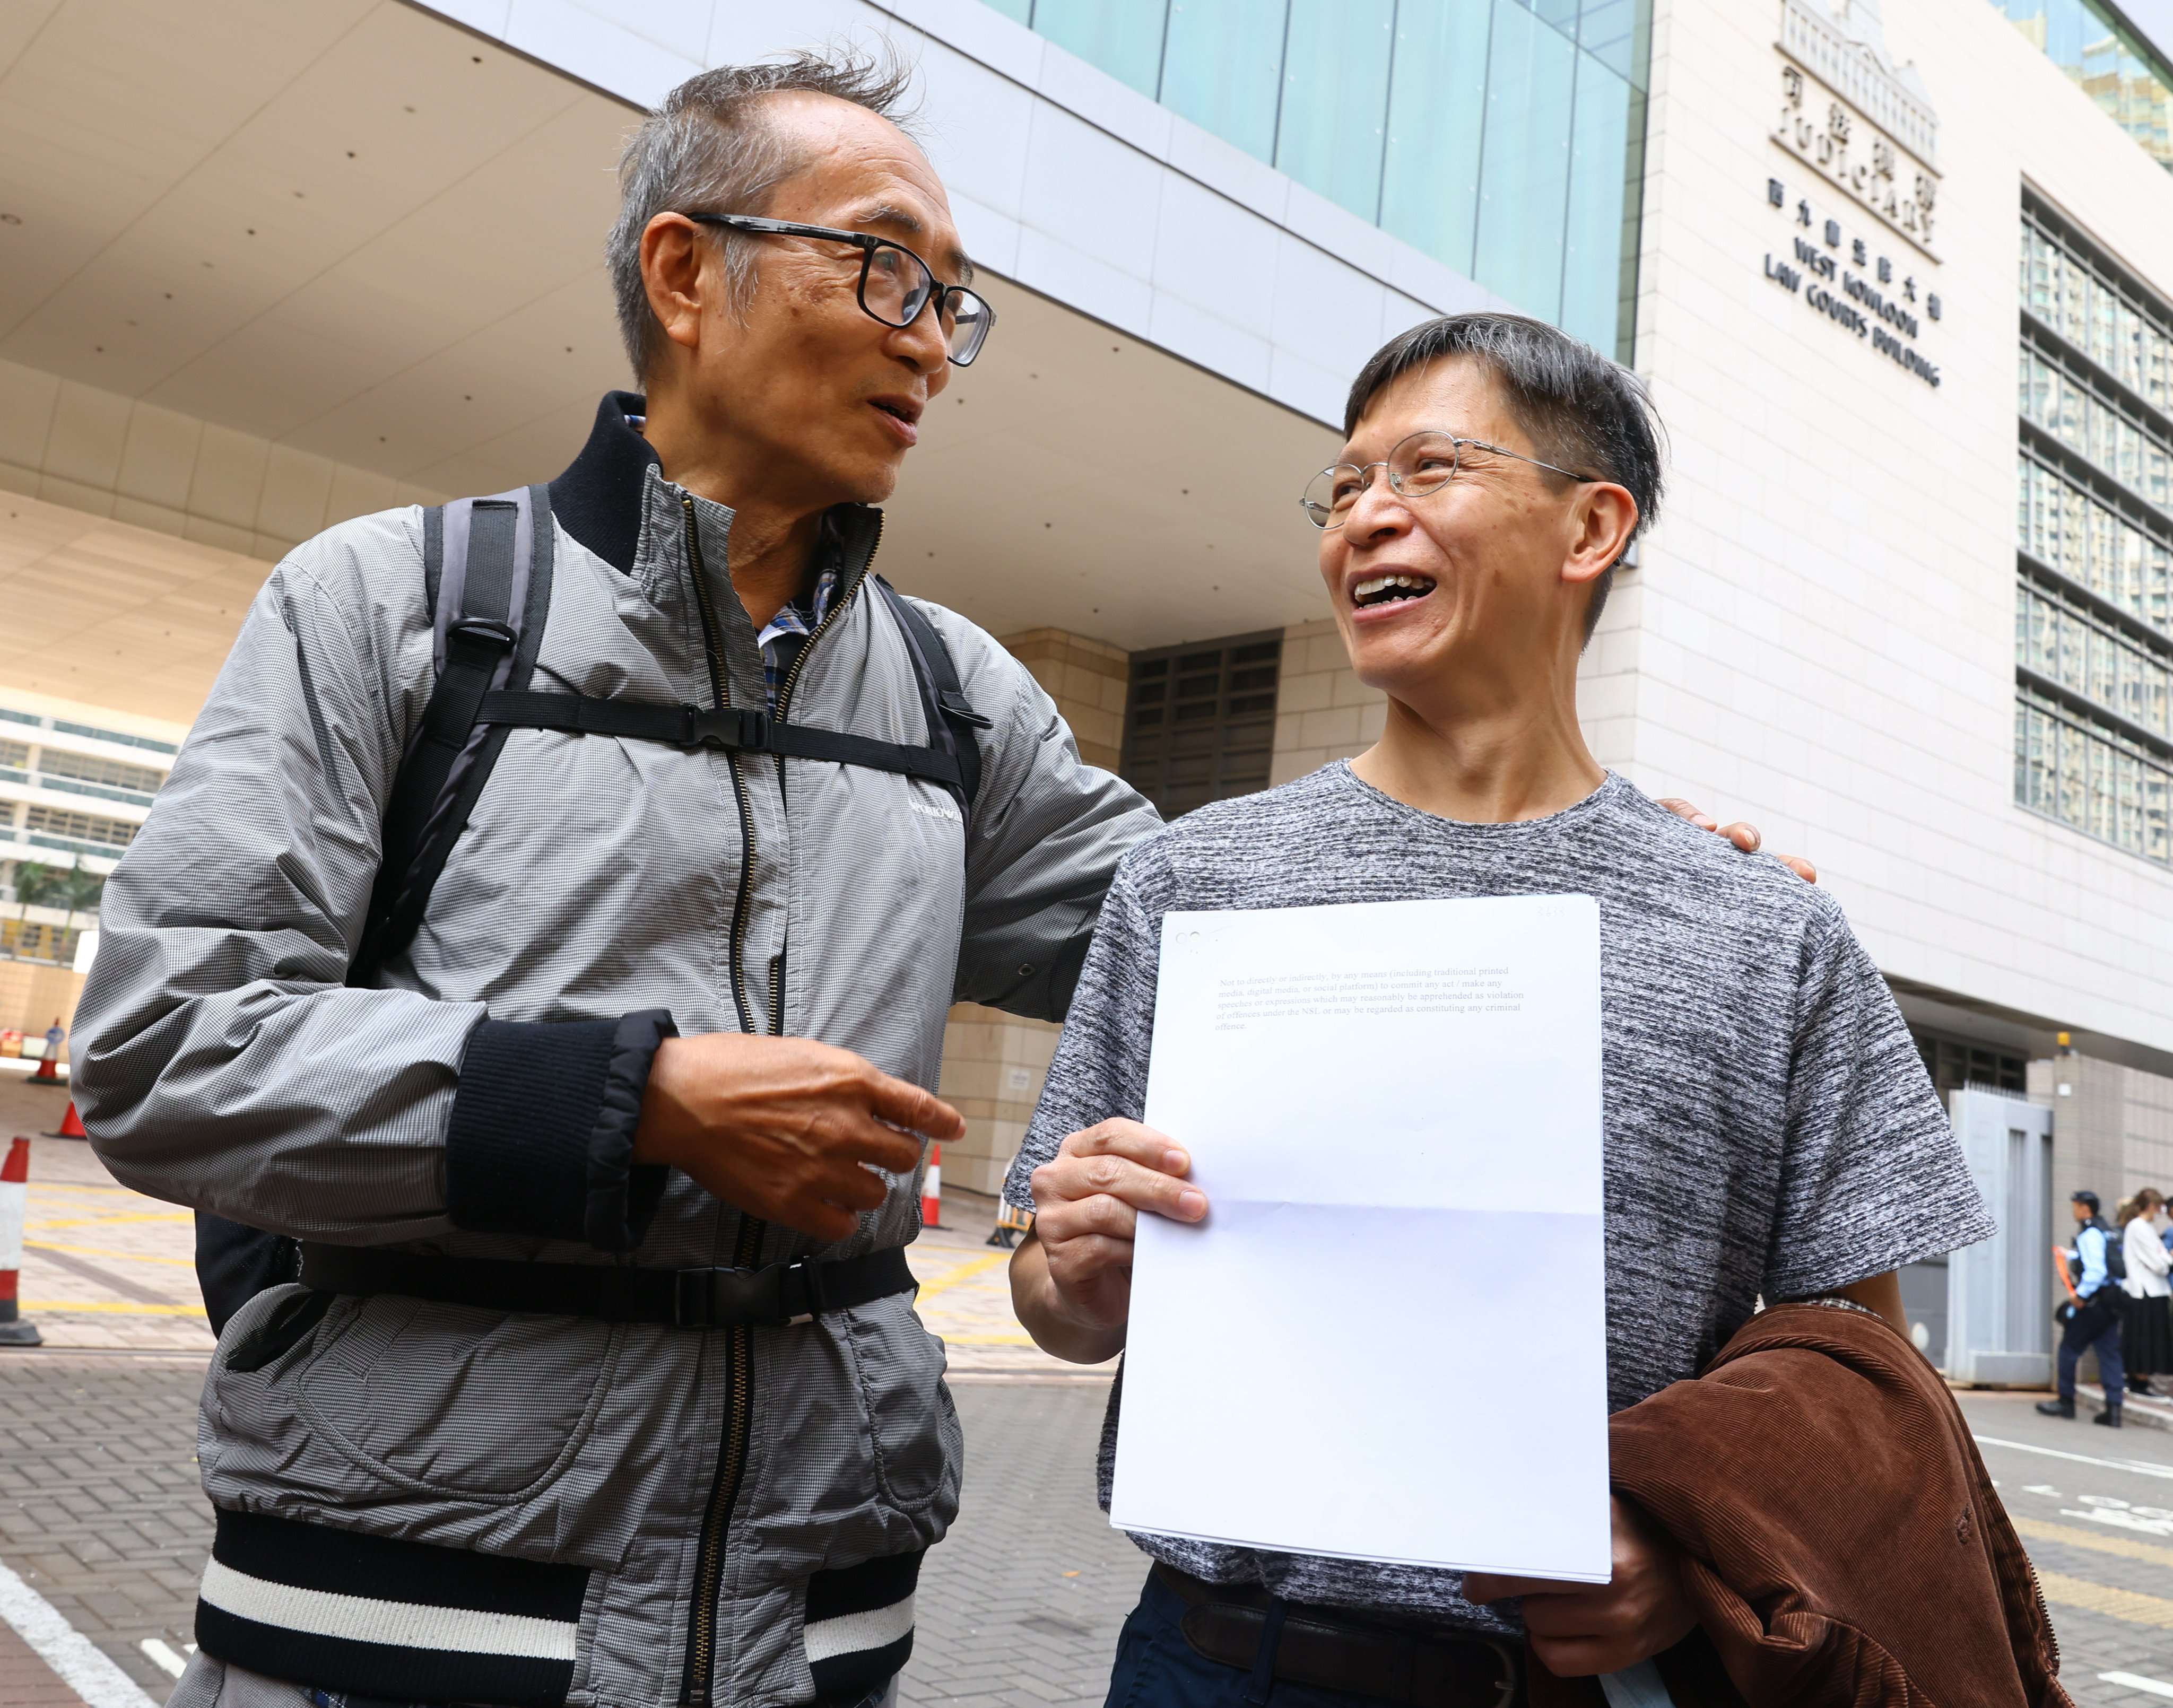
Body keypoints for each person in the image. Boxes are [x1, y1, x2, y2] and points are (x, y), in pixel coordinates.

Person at [69, 50, 1163, 1708]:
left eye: (955, 301)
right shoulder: (397, 605)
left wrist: (1551, 837)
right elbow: (165, 1058)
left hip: (818, 1618)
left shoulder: (960, 699)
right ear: (683, 271)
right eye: (883, 265)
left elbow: (1218, 933)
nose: (932, 336)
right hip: (405, 1619)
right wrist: (631, 1094)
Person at [1004, 312, 1993, 1705]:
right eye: (1344, 488)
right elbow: (1056, 1301)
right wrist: (1077, 1259)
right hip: (1216, 1658)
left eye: (1428, 469)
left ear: (1591, 525)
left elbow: (1863, 1366)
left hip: (1589, 1678)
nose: (1364, 519)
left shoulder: (1763, 925)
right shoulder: (1192, 875)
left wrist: (1691, 1541)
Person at [2039, 1190, 2127, 1427]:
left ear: (2084, 1208)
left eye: (2076, 1206)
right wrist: (2069, 1255)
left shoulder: (2090, 1234)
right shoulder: (2108, 1232)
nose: (2074, 1210)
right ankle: (2114, 1409)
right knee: (2110, 1354)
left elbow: (2096, 1271)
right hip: (2111, 1303)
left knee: (2069, 1348)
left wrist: (2080, 1295)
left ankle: (2066, 1402)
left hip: (2093, 1303)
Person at [2120, 1187, 2170, 1399]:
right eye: (2159, 1207)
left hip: (2150, 1291)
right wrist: (2165, 1258)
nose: (2161, 1212)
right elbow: (2160, 1263)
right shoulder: (2139, 1227)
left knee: (2146, 1338)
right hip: (2145, 1291)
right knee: (2145, 1339)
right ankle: (2139, 1382)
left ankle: (2140, 1380)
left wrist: (2164, 1258)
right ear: (2152, 1206)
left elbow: (2163, 1259)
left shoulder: (2144, 1227)